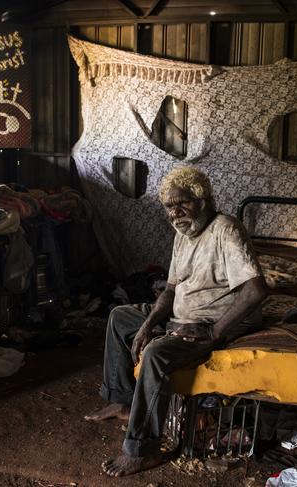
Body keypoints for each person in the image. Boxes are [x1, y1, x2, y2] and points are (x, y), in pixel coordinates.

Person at [84, 166, 269, 477]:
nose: (175, 213)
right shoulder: (183, 235)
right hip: (181, 314)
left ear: (203, 201)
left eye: (182, 203)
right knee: (120, 317)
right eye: (170, 206)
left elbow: (257, 290)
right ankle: (123, 401)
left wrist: (214, 331)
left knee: (156, 355)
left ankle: (143, 449)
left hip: (211, 321)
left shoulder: (226, 229)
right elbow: (170, 289)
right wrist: (147, 324)